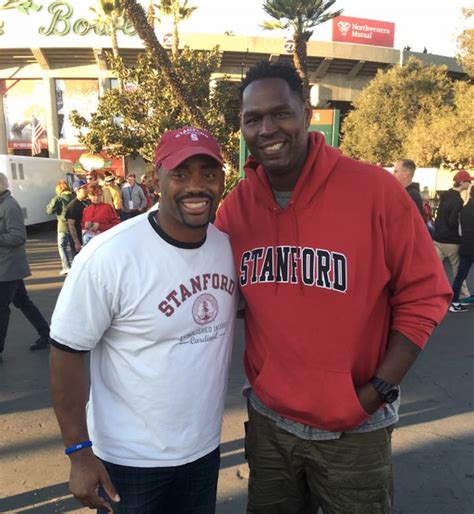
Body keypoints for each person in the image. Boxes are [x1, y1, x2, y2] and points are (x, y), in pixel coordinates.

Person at [215, 62, 452, 513]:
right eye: (252, 118)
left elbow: (425, 295)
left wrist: (377, 390)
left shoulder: (375, 191)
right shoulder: (237, 207)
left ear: (306, 113)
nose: (267, 129)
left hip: (354, 431)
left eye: (280, 113)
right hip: (270, 423)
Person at [49, 127, 238, 513]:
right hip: (128, 462)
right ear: (156, 178)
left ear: (222, 180)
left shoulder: (226, 247)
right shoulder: (111, 256)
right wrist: (78, 453)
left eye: (208, 173)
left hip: (203, 451)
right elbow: (66, 351)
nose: (196, 186)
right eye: (180, 174)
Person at [0, 173, 50, 358]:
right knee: (23, 302)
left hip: (8, 267)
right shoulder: (3, 204)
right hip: (7, 265)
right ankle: (46, 334)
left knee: (2, 308)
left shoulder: (9, 206)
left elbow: (19, 237)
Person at [433, 169, 473, 302]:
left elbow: (439, 217)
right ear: (462, 183)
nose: (469, 184)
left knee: (433, 267)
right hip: (451, 240)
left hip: (438, 238)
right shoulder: (458, 200)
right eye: (468, 182)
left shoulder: (445, 196)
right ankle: (463, 295)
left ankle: (428, 292)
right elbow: (453, 221)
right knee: (458, 269)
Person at [449, 185, 474, 312]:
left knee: (460, 276)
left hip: (465, 246)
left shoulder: (464, 210)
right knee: (461, 275)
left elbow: (460, 231)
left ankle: (454, 302)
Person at [46, 180, 75, 275]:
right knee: (74, 246)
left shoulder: (58, 199)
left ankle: (66, 267)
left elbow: (49, 211)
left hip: (63, 227)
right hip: (74, 226)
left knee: (62, 247)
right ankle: (76, 265)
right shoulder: (74, 196)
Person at [65, 180, 89, 254]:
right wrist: (76, 242)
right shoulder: (73, 206)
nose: (87, 189)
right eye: (84, 188)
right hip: (79, 239)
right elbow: (71, 225)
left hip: (87, 237)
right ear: (77, 190)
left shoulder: (87, 202)